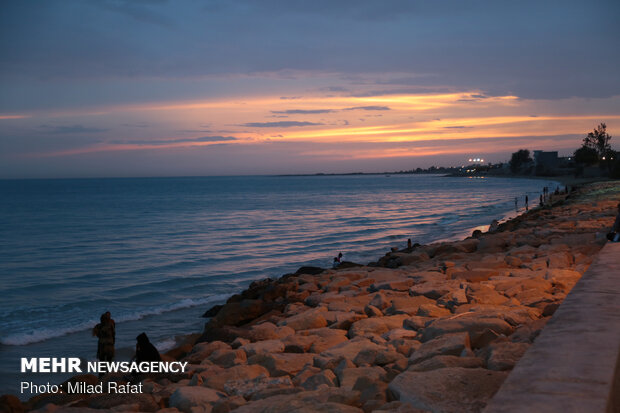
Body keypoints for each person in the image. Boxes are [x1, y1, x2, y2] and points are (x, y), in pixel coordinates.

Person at [93, 312, 115, 377]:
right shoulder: (111, 325)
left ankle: (101, 377)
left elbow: (96, 335)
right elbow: (113, 335)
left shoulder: (98, 326)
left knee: (102, 363)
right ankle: (108, 376)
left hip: (102, 346)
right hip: (110, 346)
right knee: (109, 362)